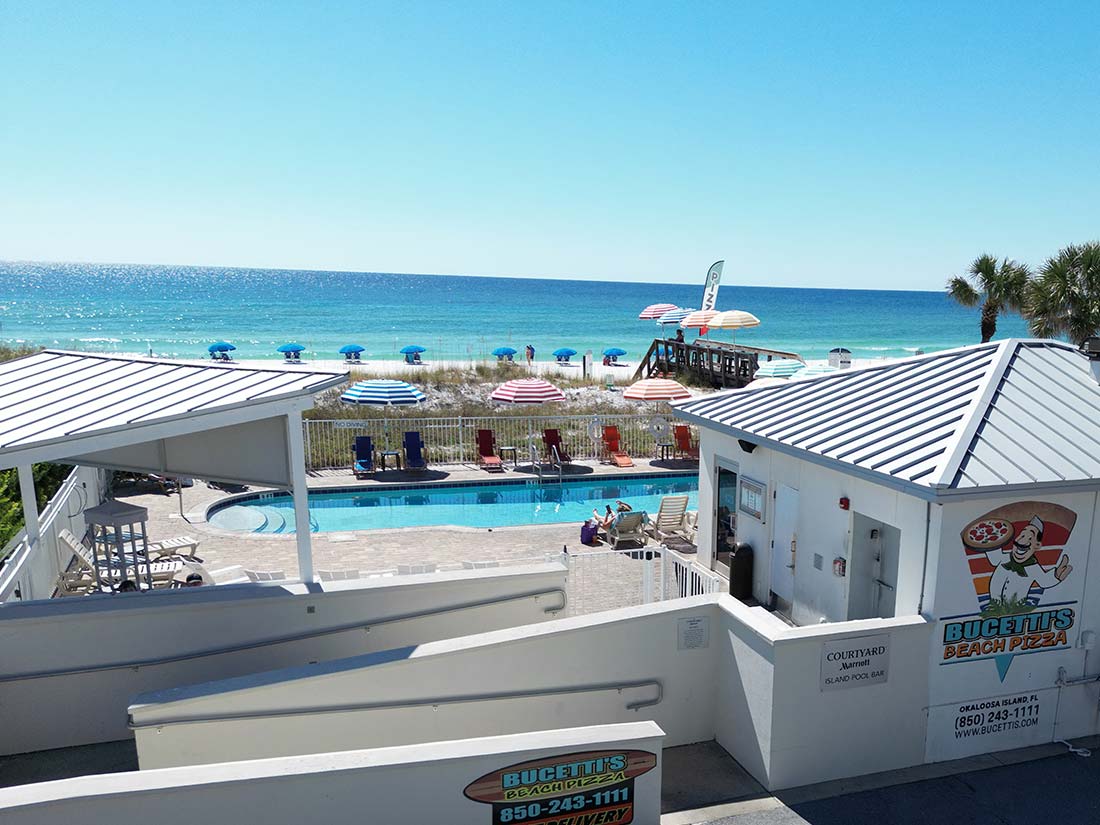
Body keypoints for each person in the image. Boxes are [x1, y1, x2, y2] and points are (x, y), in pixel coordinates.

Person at [983, 515, 1071, 608]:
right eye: (1022, 535)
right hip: (993, 607)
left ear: (1037, 545)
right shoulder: (1004, 558)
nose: (1022, 541)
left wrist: (1057, 575)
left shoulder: (1032, 567)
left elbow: (1044, 581)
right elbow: (993, 557)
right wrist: (990, 537)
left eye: (1030, 538)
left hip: (1016, 610)